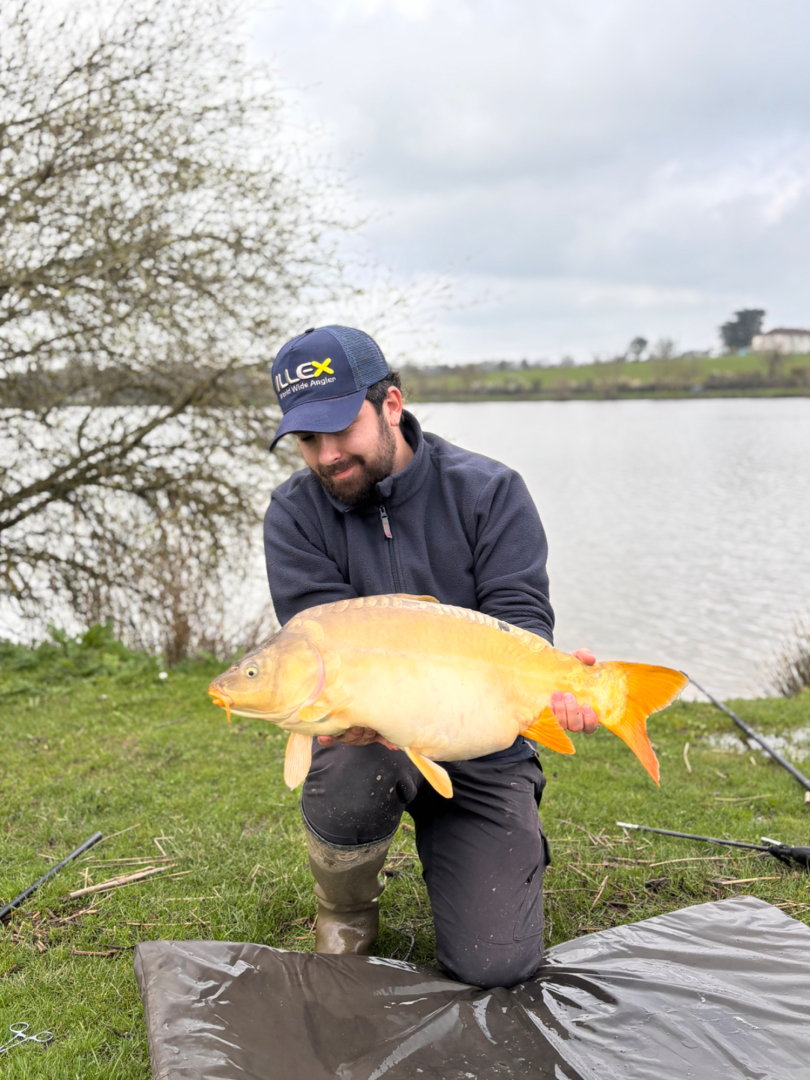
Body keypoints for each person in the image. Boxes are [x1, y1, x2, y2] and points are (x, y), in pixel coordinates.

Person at [264, 325, 598, 989]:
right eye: (307, 439)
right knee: (349, 764)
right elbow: (313, 650)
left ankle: (484, 857)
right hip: (373, 747)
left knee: (496, 965)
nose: (327, 455)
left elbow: (521, 620)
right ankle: (346, 910)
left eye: (341, 430)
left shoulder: (489, 491)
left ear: (391, 404)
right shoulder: (295, 515)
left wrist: (554, 693)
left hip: (483, 744)